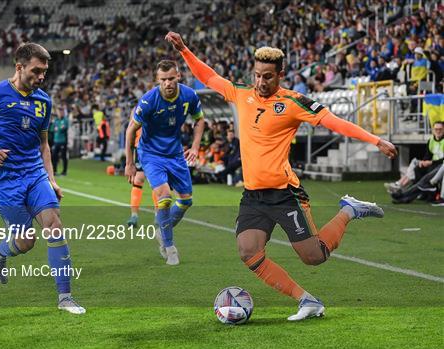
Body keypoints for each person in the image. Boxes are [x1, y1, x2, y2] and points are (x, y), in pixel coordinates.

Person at [166, 31, 397, 320]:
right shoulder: (242, 93)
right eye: (258, 75)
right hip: (253, 195)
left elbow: (334, 122)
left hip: (285, 194)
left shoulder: (293, 102)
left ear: (281, 75)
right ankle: (307, 301)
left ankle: (349, 211)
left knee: (314, 257)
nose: (261, 82)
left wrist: (376, 140)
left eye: (268, 77)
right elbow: (209, 77)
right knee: (248, 252)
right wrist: (184, 49)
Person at [0, 43, 85, 314]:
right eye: (36, 71)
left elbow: (44, 144)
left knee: (55, 226)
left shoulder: (44, 101)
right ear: (19, 67)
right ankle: (0, 251)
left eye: (45, 72)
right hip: (3, 179)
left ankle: (65, 297)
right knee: (26, 242)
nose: (41, 77)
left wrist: (51, 180)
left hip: (34, 174)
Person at [124, 59, 205, 265]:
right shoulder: (149, 100)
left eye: (171, 78)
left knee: (186, 200)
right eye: (163, 80)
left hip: (175, 153)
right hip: (151, 154)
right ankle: (169, 248)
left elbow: (200, 119)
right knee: (165, 197)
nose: (168, 83)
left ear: (178, 76)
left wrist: (195, 146)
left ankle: (162, 229)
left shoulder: (189, 95)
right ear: (157, 80)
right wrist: (129, 163)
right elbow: (131, 129)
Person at [385, 121, 444, 193]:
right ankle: (400, 185)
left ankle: (400, 185)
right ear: (433, 130)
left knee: (416, 168)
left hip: (439, 165)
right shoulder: (431, 140)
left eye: (440, 129)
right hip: (431, 163)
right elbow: (428, 155)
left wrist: (431, 162)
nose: (438, 131)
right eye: (436, 129)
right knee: (415, 162)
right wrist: (423, 161)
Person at [126, 108, 158, 227]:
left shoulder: (156, 107)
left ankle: (158, 215)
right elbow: (130, 131)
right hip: (139, 149)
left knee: (155, 182)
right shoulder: (136, 110)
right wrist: (129, 162)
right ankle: (134, 216)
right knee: (138, 180)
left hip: (154, 149)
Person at [51, 106, 69, 176]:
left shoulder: (65, 120)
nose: (60, 113)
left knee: (63, 156)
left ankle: (64, 171)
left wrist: (58, 128)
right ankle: (54, 170)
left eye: (62, 111)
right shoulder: (56, 120)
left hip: (62, 141)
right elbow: (52, 130)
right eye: (59, 111)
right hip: (56, 141)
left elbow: (63, 129)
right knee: (54, 156)